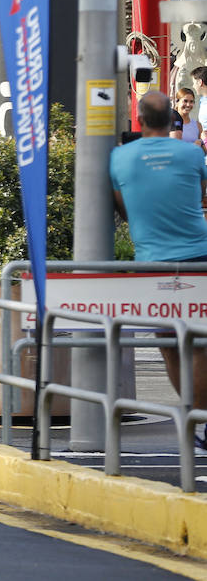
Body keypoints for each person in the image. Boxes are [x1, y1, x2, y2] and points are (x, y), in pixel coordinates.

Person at [111, 90, 207, 444]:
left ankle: (190, 417)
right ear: (171, 119)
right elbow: (198, 194)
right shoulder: (192, 153)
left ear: (138, 119)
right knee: (199, 344)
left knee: (168, 344)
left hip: (151, 260)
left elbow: (122, 207)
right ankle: (199, 417)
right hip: (198, 255)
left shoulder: (120, 157)